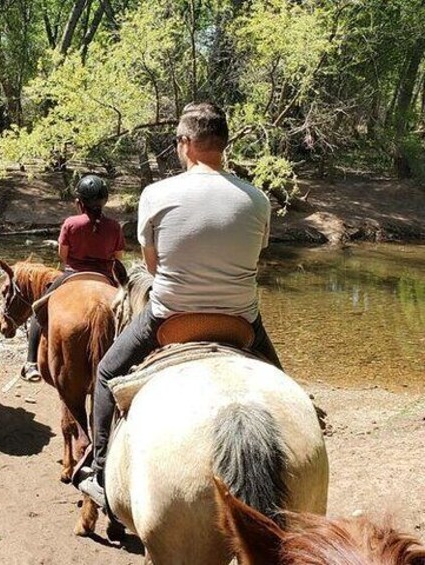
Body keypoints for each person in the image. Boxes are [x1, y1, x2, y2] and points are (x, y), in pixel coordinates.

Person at [77, 102, 283, 507]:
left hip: (168, 317)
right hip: (241, 319)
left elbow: (153, 266)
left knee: (105, 373)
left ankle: (101, 471)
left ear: (186, 144)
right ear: (223, 144)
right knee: (284, 384)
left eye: (177, 141)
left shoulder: (156, 194)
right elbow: (254, 257)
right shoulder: (257, 199)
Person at [20, 174, 125, 382]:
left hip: (73, 273)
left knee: (38, 308)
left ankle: (31, 362)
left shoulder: (71, 223)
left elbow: (63, 254)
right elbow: (118, 257)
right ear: (104, 201)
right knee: (129, 311)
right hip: (104, 276)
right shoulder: (114, 225)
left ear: (79, 202)